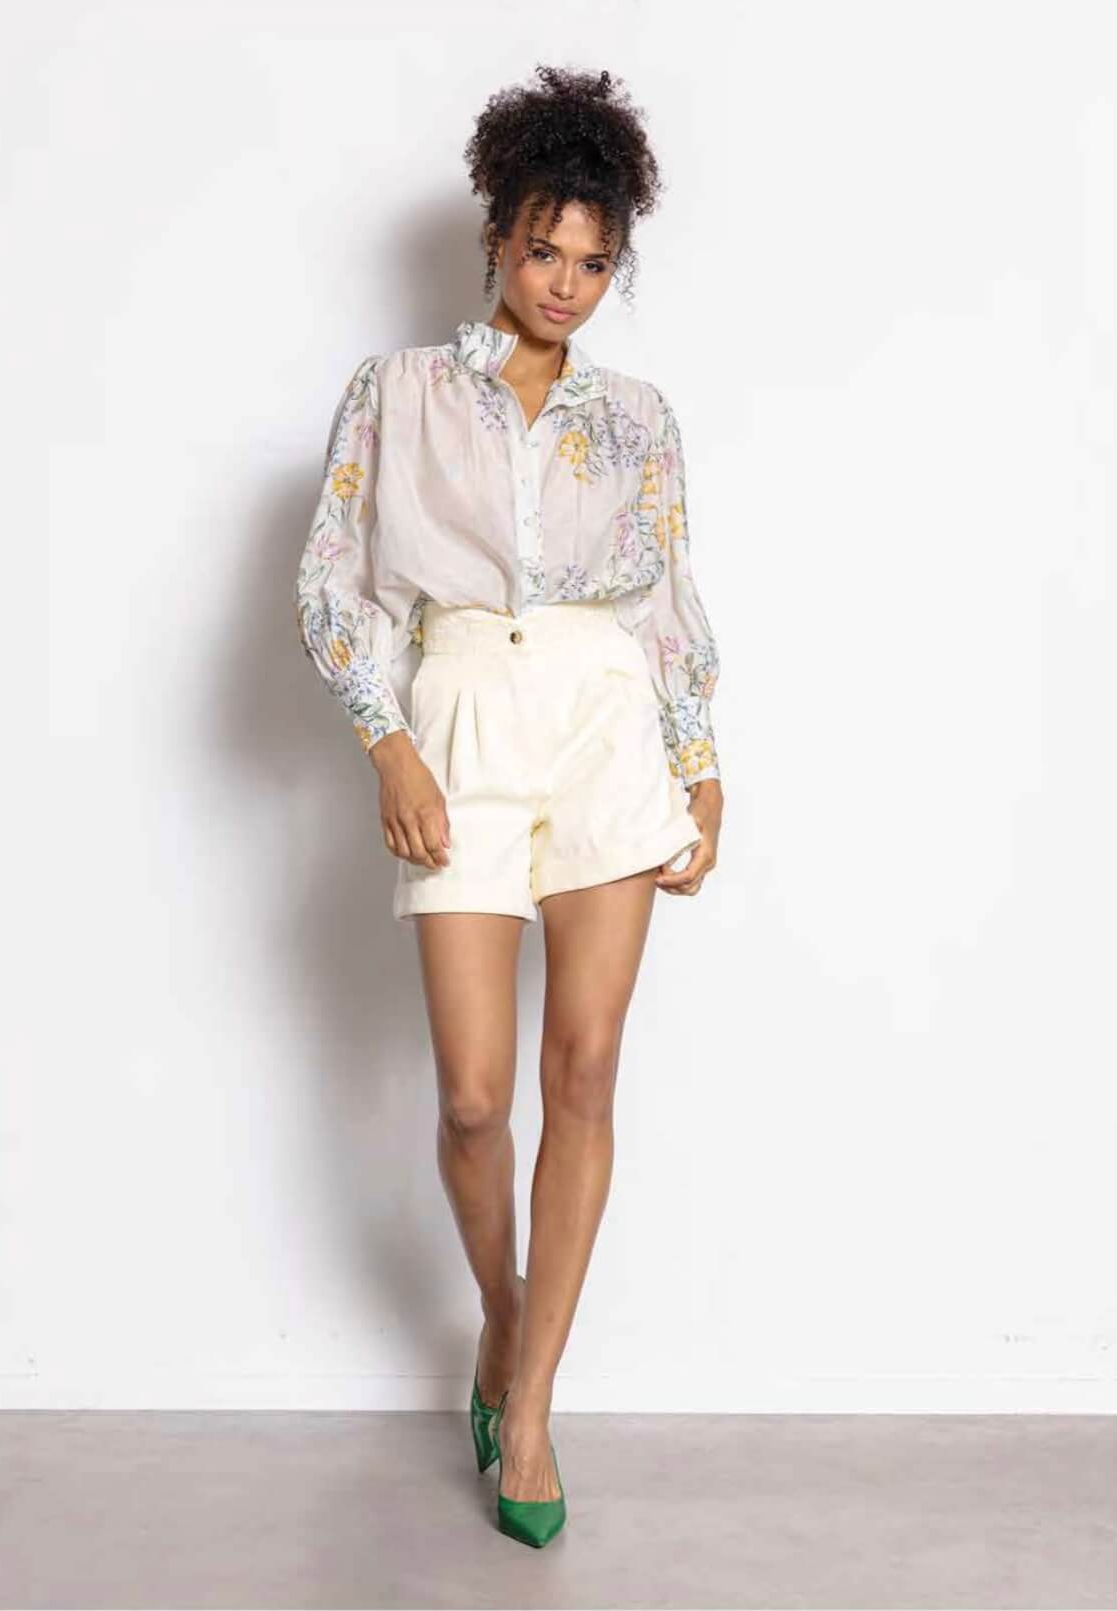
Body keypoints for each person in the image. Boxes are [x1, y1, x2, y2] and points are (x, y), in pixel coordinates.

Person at [295, 63, 726, 1548]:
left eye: (594, 264)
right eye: (544, 250)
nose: (564, 285)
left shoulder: (641, 419)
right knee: (475, 1098)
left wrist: (701, 762)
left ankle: (531, 1408)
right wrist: (387, 744)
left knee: (584, 1070)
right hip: (463, 712)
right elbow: (335, 584)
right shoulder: (399, 393)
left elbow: (667, 600)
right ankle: (503, 1313)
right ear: (497, 236)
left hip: (608, 722)